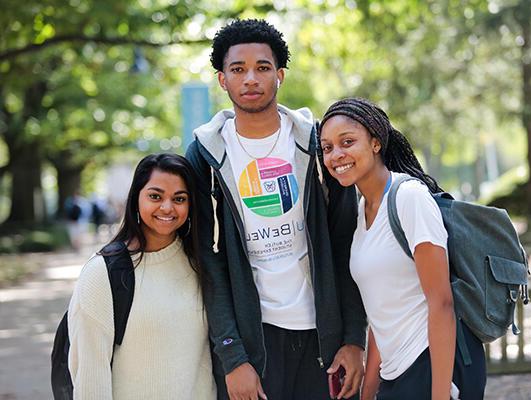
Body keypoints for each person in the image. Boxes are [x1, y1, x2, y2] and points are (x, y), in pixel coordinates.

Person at [186, 19, 367, 400]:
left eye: (262, 68)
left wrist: (353, 338)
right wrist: (233, 357)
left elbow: (346, 243)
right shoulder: (205, 155)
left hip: (324, 337)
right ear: (222, 79)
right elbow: (209, 261)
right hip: (254, 341)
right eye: (238, 69)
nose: (250, 78)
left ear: (280, 75)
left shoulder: (318, 145)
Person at [319, 98, 486, 400]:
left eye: (347, 142)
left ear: (375, 143)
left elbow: (442, 304)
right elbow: (382, 314)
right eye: (327, 147)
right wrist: (368, 392)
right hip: (396, 375)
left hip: (433, 365)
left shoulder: (409, 198)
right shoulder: (362, 211)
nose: (336, 155)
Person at [67, 153, 217, 399]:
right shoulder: (102, 273)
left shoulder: (199, 263)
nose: (167, 207)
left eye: (179, 198)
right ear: (136, 198)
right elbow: (90, 377)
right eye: (155, 196)